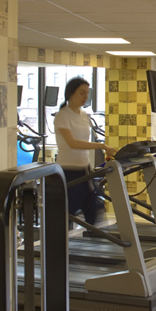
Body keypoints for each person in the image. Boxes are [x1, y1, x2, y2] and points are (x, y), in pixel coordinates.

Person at [54, 77, 115, 226]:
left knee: (93, 206)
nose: (86, 97)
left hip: (84, 168)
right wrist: (101, 146)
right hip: (68, 170)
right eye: (82, 93)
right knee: (70, 208)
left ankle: (93, 233)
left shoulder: (83, 115)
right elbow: (72, 143)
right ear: (71, 93)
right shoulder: (62, 116)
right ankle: (61, 237)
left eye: (87, 93)